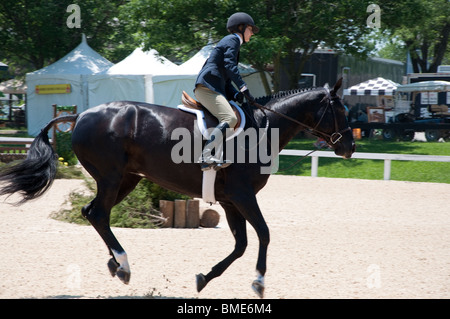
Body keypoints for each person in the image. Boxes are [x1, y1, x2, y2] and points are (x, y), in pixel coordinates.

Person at [194, 12, 259, 171]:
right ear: (241, 28)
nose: (251, 33)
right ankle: (206, 155)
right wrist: (244, 89)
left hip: (214, 87)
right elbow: (231, 67)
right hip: (208, 88)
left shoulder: (231, 42)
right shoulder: (233, 40)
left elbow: (227, 78)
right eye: (250, 29)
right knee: (229, 118)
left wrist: (236, 94)